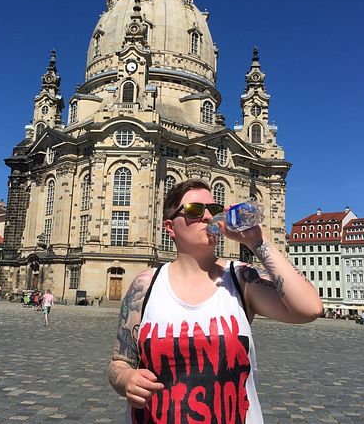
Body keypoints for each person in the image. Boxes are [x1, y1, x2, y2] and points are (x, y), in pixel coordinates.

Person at [106, 179, 322, 423]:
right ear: (170, 227)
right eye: (195, 210)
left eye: (213, 209)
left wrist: (256, 242)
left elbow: (310, 308)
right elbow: (119, 362)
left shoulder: (241, 279)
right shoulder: (145, 285)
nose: (208, 217)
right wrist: (125, 380)